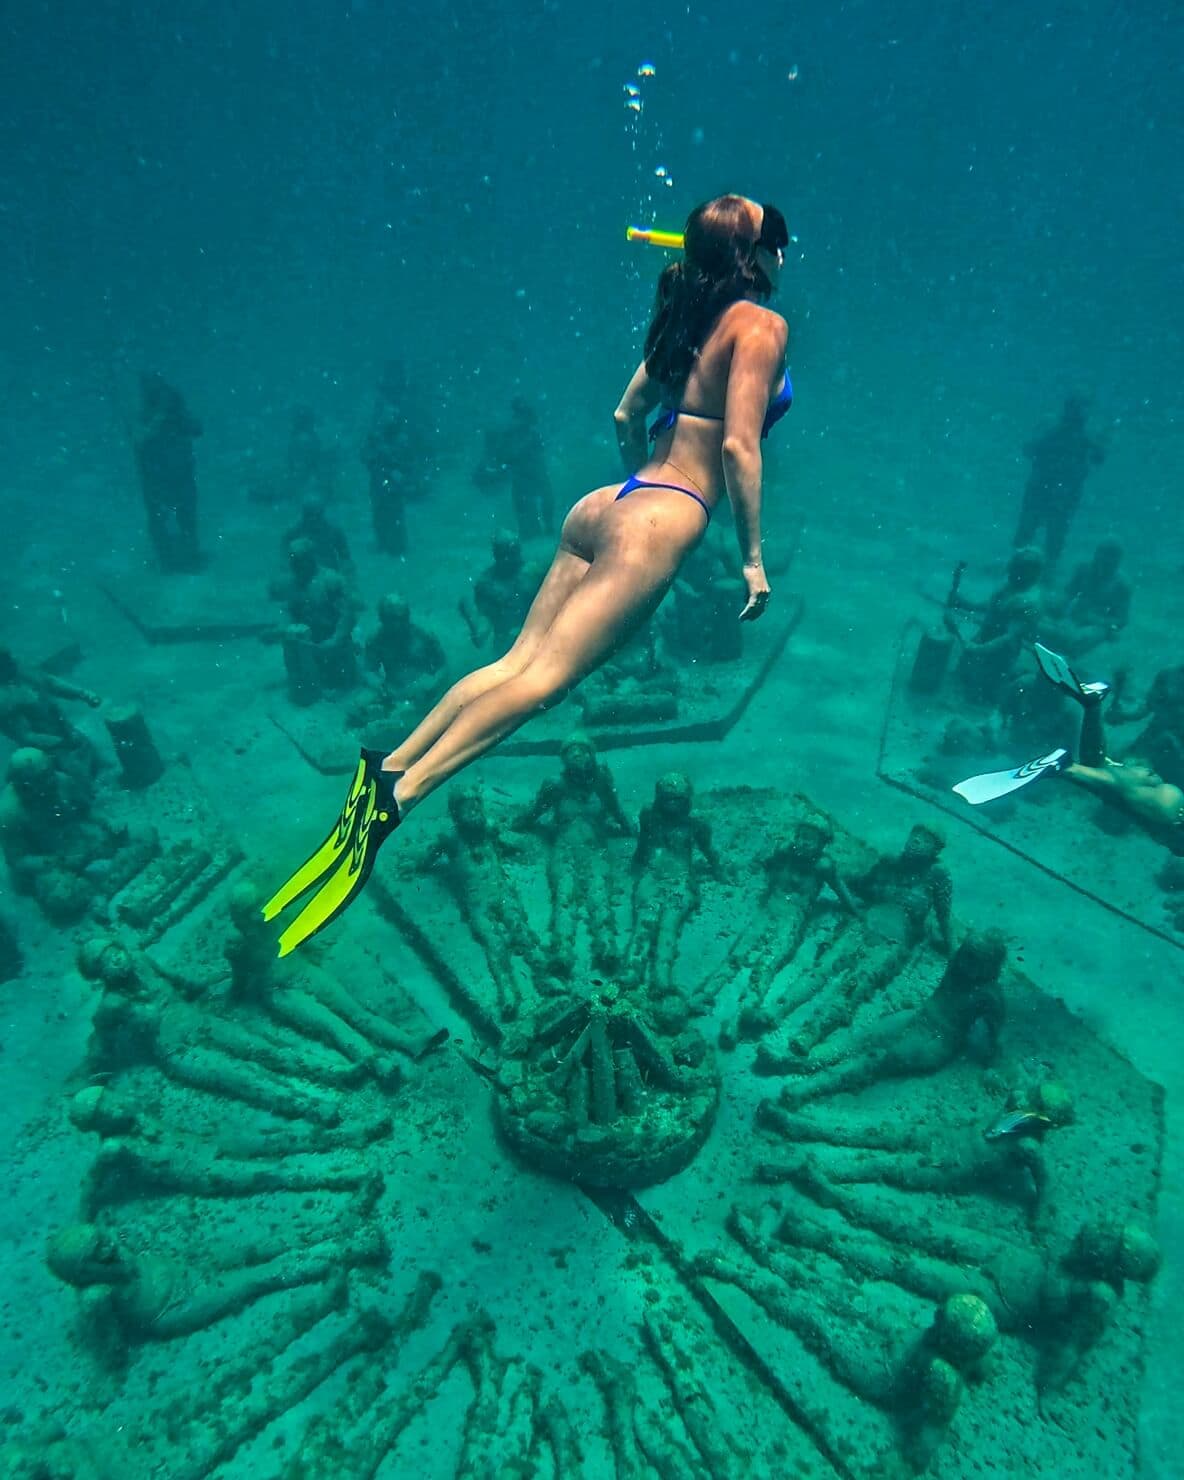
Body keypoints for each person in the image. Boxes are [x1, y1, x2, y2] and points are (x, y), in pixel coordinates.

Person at [263, 194, 794, 956]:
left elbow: (625, 415)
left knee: (512, 663)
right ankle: (397, 802)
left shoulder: (683, 301)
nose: (787, 255)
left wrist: (637, 491)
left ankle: (388, 767)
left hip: (612, 501)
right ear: (758, 254)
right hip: (660, 518)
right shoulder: (759, 325)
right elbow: (741, 449)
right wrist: (749, 558)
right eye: (781, 242)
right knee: (542, 685)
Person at [953, 644, 1184, 854]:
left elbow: (1140, 711)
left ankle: (1091, 707)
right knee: (1156, 808)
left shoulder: (1172, 677)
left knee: (1101, 767)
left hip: (1154, 770)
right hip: (1170, 803)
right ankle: (1065, 767)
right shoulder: (1172, 679)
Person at [1012, 396, 1106, 570]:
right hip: (1043, 486)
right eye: (1076, 407)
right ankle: (1018, 568)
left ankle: (1047, 571)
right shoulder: (1051, 425)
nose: (1078, 413)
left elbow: (1098, 458)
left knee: (1056, 533)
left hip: (1065, 491)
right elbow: (1029, 448)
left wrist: (1092, 441)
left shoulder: (1087, 432)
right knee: (1029, 527)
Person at [133, 372, 203, 572]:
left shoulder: (175, 417)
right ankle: (170, 558)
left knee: (182, 515)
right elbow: (141, 442)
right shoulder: (149, 418)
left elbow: (196, 428)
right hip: (162, 476)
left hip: (176, 474)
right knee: (164, 517)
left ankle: (185, 557)